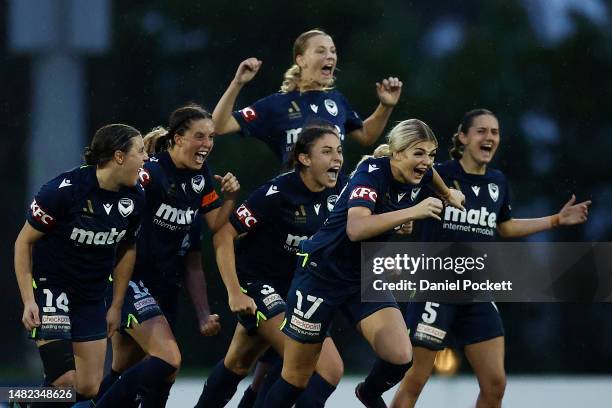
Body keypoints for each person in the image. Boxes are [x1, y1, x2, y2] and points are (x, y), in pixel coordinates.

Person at [392, 109, 591, 408]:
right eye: (481, 131)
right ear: (463, 137)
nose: (490, 137)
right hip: (436, 289)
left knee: (495, 383)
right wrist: (401, 222)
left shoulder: (498, 181)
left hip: (477, 293)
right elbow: (402, 200)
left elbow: (504, 226)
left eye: (495, 132)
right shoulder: (440, 175)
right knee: (416, 378)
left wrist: (555, 221)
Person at [261, 119, 465, 407]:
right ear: (396, 153)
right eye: (419, 153)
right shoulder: (370, 174)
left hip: (360, 276)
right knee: (296, 377)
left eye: (431, 154)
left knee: (399, 356)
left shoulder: (419, 173)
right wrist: (411, 213)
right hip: (321, 274)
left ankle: (368, 393)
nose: (427, 162)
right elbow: (355, 229)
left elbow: (431, 175)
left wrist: (447, 194)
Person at [95, 104, 239, 407]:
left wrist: (230, 198)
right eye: (199, 136)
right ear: (177, 139)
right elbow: (116, 198)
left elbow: (209, 234)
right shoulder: (152, 173)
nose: (207, 144)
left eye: (211, 137)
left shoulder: (201, 179)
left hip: (165, 285)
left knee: (132, 369)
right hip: (131, 278)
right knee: (167, 359)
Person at [194, 126, 346, 408]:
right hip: (258, 284)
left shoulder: (341, 190)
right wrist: (234, 293)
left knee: (238, 363)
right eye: (327, 151)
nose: (337, 158)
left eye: (339, 151)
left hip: (299, 290)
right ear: (304, 159)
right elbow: (224, 234)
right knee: (323, 367)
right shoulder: (277, 193)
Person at [14, 124, 147, 405]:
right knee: (64, 381)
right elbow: (23, 242)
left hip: (92, 295)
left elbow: (127, 248)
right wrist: (28, 300)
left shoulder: (135, 198)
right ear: (119, 156)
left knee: (88, 387)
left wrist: (116, 305)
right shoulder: (64, 191)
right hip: (54, 289)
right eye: (141, 151)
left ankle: (21, 401)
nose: (146, 158)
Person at [213, 28, 403, 167]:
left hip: (333, 199)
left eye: (333, 51)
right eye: (321, 51)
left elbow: (366, 136)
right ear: (300, 59)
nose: (330, 56)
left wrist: (385, 106)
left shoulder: (336, 100)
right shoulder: (276, 104)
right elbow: (219, 126)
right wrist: (237, 82)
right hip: (292, 203)